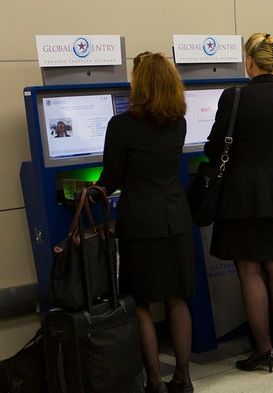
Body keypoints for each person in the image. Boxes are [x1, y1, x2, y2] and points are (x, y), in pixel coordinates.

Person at [95, 52, 196, 393]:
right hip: (176, 220)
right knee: (177, 300)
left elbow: (111, 178)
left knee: (140, 303)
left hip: (140, 225)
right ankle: (183, 378)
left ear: (142, 84)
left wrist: (89, 192)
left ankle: (154, 382)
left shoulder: (120, 127)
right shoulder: (178, 122)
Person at [205, 33, 273, 372]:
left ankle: (262, 349)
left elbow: (213, 149)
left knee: (249, 269)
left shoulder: (234, 98)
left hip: (241, 196)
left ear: (249, 61)